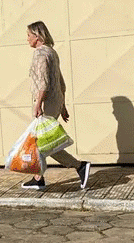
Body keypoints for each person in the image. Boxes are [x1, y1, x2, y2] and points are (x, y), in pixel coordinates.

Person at [22, 21, 91, 191]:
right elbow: (60, 81)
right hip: (55, 101)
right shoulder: (52, 52)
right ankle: (39, 177)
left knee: (45, 142)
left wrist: (38, 104)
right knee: (44, 141)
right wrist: (62, 105)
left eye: (29, 35)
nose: (27, 39)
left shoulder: (40, 54)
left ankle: (79, 166)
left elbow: (43, 83)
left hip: (45, 102)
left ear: (37, 37)